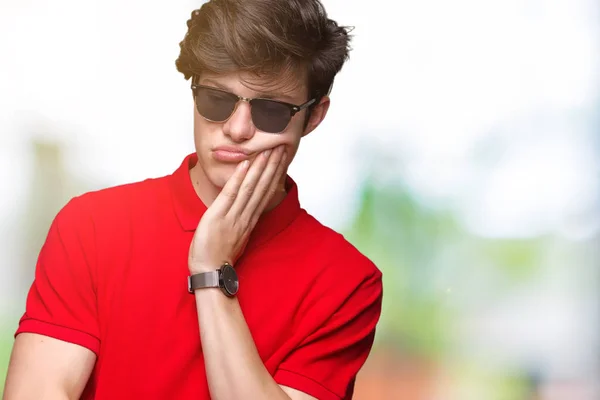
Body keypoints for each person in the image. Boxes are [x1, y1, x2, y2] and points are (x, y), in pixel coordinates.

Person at [3, 1, 383, 399]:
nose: (237, 130)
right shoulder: (93, 226)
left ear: (314, 116)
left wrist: (212, 272)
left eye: (270, 111)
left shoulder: (346, 280)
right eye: (216, 100)